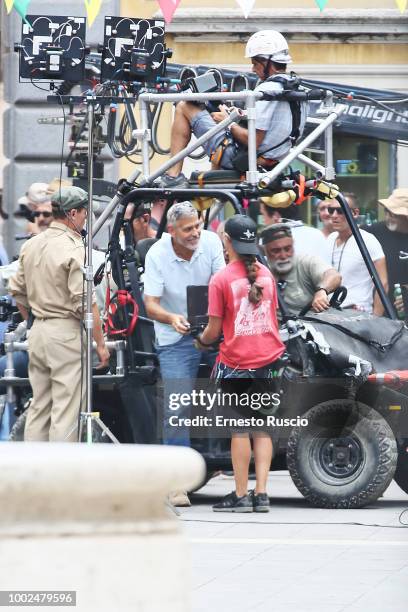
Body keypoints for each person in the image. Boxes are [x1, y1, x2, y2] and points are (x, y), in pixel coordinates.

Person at [195, 215, 285, 512]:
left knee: (238, 430)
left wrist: (200, 341)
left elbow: (213, 331)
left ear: (226, 241)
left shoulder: (220, 279)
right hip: (269, 360)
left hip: (237, 362)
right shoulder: (267, 275)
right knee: (261, 428)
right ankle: (261, 495)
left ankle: (240, 494)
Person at [8, 186, 110, 442]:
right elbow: (86, 303)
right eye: (85, 214)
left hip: (38, 332)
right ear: (73, 213)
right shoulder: (74, 248)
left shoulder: (32, 245)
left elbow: (17, 290)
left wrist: (33, 321)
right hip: (65, 333)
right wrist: (101, 343)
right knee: (67, 409)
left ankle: (33, 474)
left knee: (39, 406)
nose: (86, 219)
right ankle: (61, 478)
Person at [143, 201, 225, 506]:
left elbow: (222, 286)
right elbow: (150, 304)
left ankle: (231, 470)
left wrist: (213, 330)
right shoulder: (157, 253)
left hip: (213, 329)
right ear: (171, 231)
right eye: (188, 229)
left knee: (235, 398)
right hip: (174, 336)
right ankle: (176, 483)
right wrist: (171, 319)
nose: (196, 233)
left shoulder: (212, 241)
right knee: (177, 407)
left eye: (198, 226)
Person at [155, 30, 306, 187]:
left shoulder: (267, 90)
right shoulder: (294, 88)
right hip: (271, 160)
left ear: (266, 61)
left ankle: (173, 176)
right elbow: (274, 126)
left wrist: (228, 122)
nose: (253, 70)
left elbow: (253, 140)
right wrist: (239, 116)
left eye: (255, 63)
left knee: (184, 106)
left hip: (242, 158)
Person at [325, 194, 388, 315]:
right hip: (330, 314)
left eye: (340, 211)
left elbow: (383, 283)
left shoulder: (368, 240)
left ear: (355, 213)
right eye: (331, 210)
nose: (334, 215)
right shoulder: (330, 239)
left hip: (358, 314)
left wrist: (375, 319)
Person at [260, 223, 341, 316]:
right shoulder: (261, 269)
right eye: (276, 251)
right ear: (265, 251)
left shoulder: (305, 262)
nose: (283, 256)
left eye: (287, 249)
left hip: (310, 325)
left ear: (293, 245)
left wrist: (322, 291)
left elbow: (334, 275)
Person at [361, 188, 408, 317]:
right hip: (373, 312)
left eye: (396, 214)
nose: (389, 216)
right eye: (387, 211)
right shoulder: (370, 232)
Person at [260, 201, 330, 262]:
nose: (263, 221)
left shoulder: (268, 240)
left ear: (276, 216)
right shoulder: (317, 234)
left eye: (263, 215)